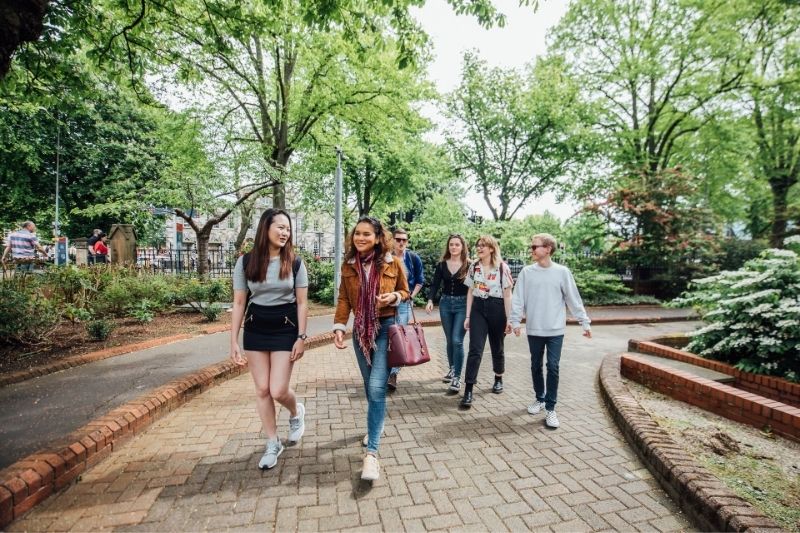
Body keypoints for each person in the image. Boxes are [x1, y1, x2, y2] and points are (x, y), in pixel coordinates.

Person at [230, 208, 309, 470]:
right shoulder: (245, 262)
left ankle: (296, 412)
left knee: (277, 389)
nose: (286, 232)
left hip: (285, 329)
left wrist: (301, 336)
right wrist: (233, 341)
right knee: (262, 389)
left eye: (288, 228)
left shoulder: (296, 263)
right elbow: (239, 302)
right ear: (266, 228)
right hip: (255, 328)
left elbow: (302, 303)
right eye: (281, 227)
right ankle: (273, 442)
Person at [333, 216, 409, 481]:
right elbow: (344, 298)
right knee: (370, 387)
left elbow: (406, 292)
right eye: (357, 234)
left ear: (378, 237)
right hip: (360, 333)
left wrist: (395, 297)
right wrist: (340, 326)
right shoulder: (349, 266)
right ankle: (376, 424)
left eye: (367, 234)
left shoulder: (392, 262)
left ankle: (372, 454)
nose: (361, 238)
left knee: (377, 387)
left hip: (386, 328)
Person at [510, 233, 591, 429]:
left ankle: (550, 407)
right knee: (536, 365)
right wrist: (515, 321)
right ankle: (539, 398)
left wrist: (584, 322)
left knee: (553, 366)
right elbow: (518, 298)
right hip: (534, 329)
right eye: (531, 246)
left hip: (555, 329)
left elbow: (573, 298)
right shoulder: (527, 273)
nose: (531, 250)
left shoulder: (562, 272)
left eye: (535, 246)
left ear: (547, 249)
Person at [460, 235, 513, 409]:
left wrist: (509, 319)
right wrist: (467, 316)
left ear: (491, 248)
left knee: (497, 346)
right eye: (478, 246)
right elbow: (469, 292)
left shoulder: (502, 268)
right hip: (478, 308)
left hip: (497, 307)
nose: (479, 248)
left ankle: (498, 378)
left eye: (483, 246)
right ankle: (468, 388)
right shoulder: (474, 267)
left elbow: (507, 294)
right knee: (475, 349)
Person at [425, 234, 469, 394]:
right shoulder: (442, 265)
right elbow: (435, 284)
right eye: (451, 244)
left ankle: (457, 378)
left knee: (457, 340)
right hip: (445, 304)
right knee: (450, 340)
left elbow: (473, 289)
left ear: (463, 247)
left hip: (462, 305)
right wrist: (430, 300)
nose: (454, 247)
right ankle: (452, 369)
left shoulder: (469, 265)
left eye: (457, 244)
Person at [387, 227, 424, 392]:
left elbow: (419, 281)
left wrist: (411, 295)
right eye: (398, 239)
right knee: (385, 337)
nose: (401, 242)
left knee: (399, 337)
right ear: (393, 241)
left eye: (404, 240)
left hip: (403, 303)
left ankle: (393, 374)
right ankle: (384, 370)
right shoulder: (385, 257)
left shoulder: (413, 258)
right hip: (385, 304)